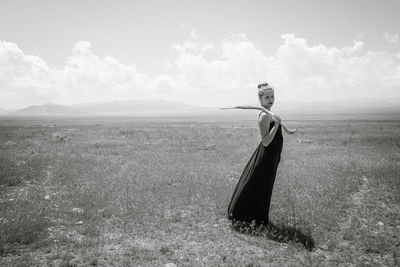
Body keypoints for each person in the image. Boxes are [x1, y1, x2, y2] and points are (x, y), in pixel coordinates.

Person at [227, 82, 283, 225]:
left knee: (265, 185)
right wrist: (276, 125)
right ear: (261, 100)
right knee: (259, 185)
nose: (270, 99)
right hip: (266, 156)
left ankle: (259, 217)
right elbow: (265, 141)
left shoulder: (270, 114)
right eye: (267, 97)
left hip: (272, 156)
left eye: (272, 96)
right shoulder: (264, 116)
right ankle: (246, 216)